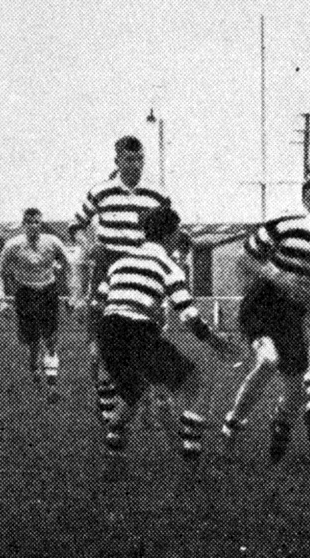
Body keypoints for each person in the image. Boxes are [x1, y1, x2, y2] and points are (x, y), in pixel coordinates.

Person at [92, 205, 229, 479]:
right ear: (170, 234)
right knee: (195, 384)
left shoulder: (120, 262)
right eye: (177, 230)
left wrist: (96, 344)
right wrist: (216, 340)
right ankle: (193, 462)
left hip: (108, 329)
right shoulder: (168, 266)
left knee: (133, 393)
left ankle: (113, 456)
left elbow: (98, 303)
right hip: (137, 330)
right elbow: (188, 314)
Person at [219, 183, 310, 463]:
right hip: (262, 304)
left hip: (292, 314)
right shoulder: (284, 227)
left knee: (294, 387)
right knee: (267, 360)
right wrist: (279, 276)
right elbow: (245, 258)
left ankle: (280, 429)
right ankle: (231, 427)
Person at [68, 136, 171, 426]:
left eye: (140, 159)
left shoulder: (157, 194)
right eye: (129, 159)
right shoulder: (101, 192)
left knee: (147, 342)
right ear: (117, 161)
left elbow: (171, 230)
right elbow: (75, 225)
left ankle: (144, 402)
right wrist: (89, 246)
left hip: (143, 272)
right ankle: (106, 403)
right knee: (97, 346)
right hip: (108, 269)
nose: (135, 165)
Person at [0, 207, 74, 397]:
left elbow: (69, 266)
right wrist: (2, 300)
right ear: (24, 225)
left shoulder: (53, 242)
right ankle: (35, 369)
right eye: (29, 222)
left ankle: (52, 386)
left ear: (41, 223)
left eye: (37, 222)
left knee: (51, 339)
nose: (33, 226)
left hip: (48, 291)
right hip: (25, 293)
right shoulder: (13, 245)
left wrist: (72, 294)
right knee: (33, 341)